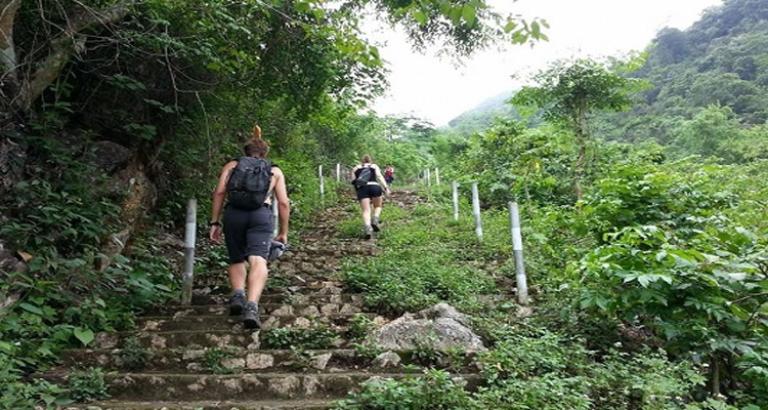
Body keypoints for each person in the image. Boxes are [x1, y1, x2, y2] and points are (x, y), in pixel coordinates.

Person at [209, 125, 290, 329]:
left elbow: (219, 193)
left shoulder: (232, 166)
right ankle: (252, 306)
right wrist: (283, 232)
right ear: (265, 153)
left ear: (245, 152)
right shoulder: (274, 170)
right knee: (258, 258)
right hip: (260, 215)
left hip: (234, 214)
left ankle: (238, 295)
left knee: (236, 257)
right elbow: (283, 203)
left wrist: (215, 222)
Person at [351, 155, 390, 239]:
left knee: (366, 210)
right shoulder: (374, 166)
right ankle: (375, 219)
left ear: (362, 161)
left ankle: (368, 228)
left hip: (362, 189)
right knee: (378, 206)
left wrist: (357, 192)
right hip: (374, 187)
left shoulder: (355, 168)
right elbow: (379, 177)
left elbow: (354, 182)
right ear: (370, 160)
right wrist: (386, 187)